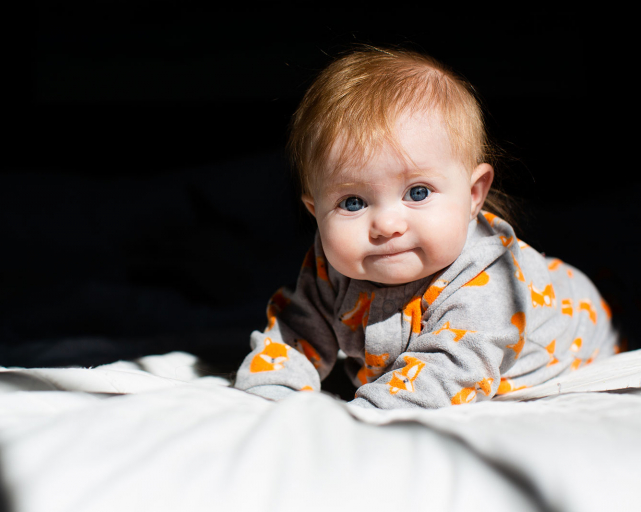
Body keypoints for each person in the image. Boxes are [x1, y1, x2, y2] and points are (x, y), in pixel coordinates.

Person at [234, 47, 618, 409]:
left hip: (581, 336)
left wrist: (360, 418)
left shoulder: (488, 283)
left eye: (418, 192)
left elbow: (445, 374)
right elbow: (294, 334)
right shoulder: (330, 267)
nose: (386, 224)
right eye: (353, 202)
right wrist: (268, 401)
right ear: (316, 212)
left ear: (473, 194)